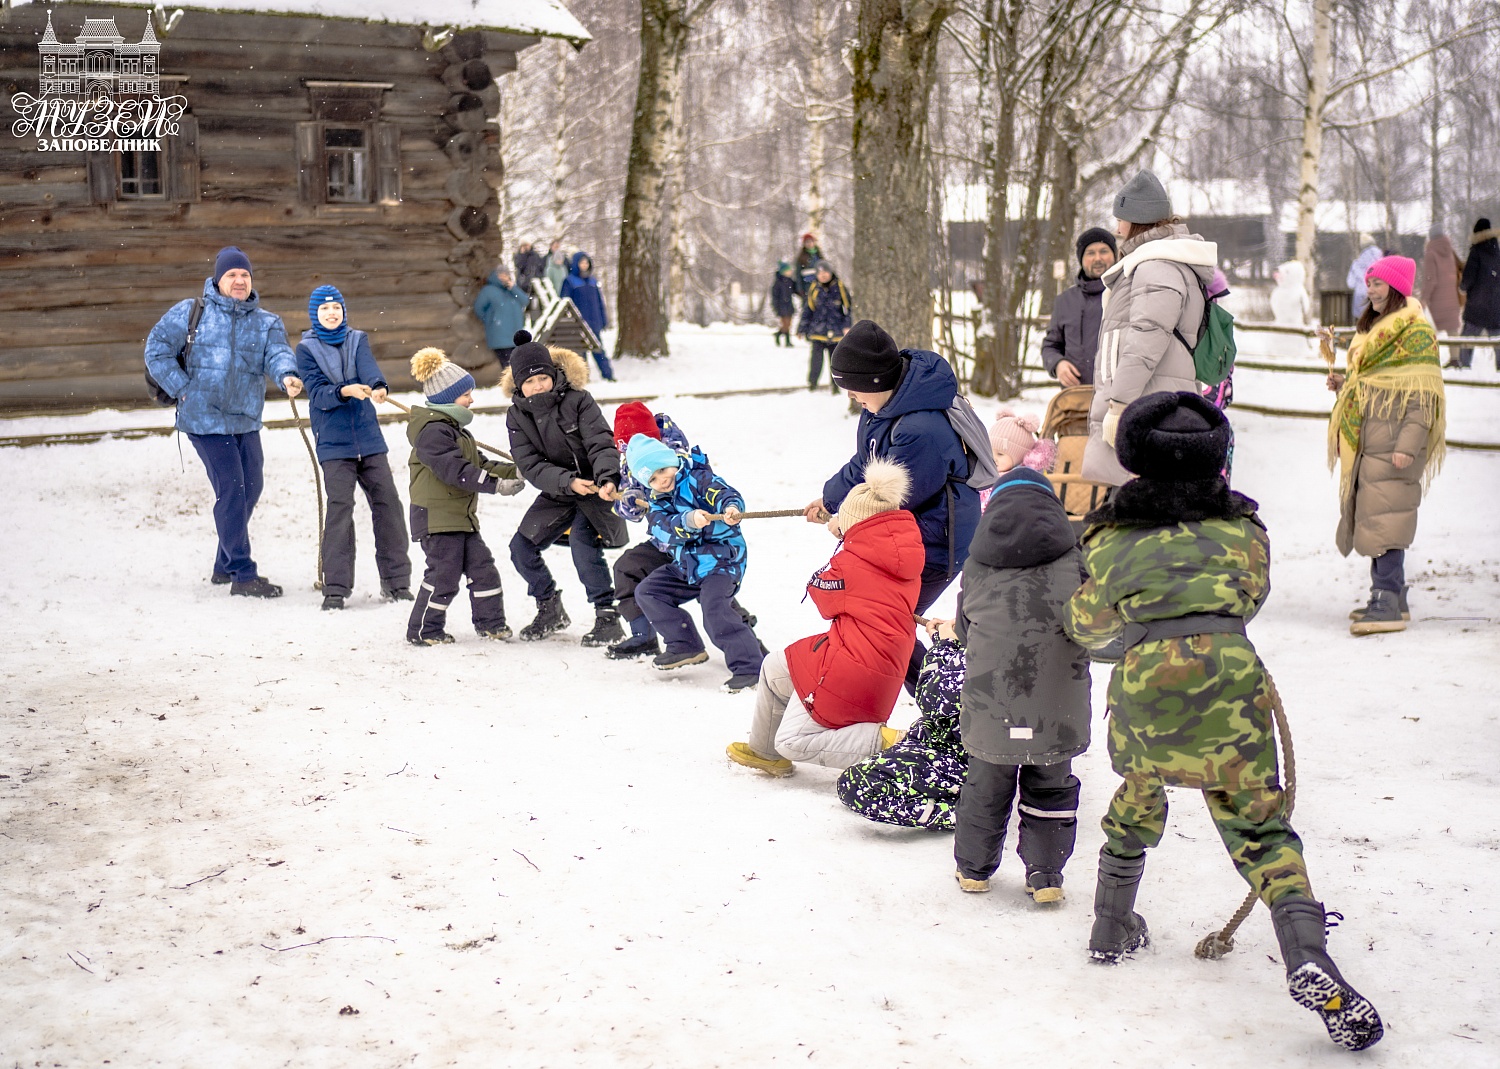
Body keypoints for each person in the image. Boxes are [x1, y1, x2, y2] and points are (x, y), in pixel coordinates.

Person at [1065, 391, 1383, 1053]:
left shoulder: (1108, 536)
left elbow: (1089, 625)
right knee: (1262, 827)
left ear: (1134, 458)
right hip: (1230, 684)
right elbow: (1254, 597)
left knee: (1136, 799)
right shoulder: (1246, 529)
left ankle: (1110, 925)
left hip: (1147, 690)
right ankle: (1304, 953)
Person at [935, 456, 1090, 905]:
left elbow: (965, 631)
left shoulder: (979, 566)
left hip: (991, 703)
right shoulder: (1076, 563)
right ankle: (1046, 874)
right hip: (1056, 706)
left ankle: (974, 871)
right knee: (1052, 786)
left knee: (986, 785)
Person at [805, 319, 981, 693]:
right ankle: (940, 701)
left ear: (875, 381)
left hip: (936, 540)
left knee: (887, 624)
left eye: (852, 389)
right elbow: (867, 466)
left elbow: (895, 495)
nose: (851, 397)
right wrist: (830, 498)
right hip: (907, 536)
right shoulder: (883, 408)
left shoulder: (920, 427)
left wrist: (849, 521)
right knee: (884, 622)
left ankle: (951, 706)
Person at [727, 458, 922, 773]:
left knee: (792, 740)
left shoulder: (853, 562)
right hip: (875, 658)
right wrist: (849, 537)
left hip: (857, 664)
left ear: (855, 524)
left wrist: (845, 539)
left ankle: (885, 742)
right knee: (776, 666)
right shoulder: (897, 553)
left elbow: (822, 595)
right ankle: (765, 752)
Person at [143, 246, 302, 599]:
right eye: (232, 274)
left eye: (245, 275)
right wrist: (183, 388)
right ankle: (242, 574)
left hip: (245, 419)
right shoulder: (191, 312)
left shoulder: (267, 323)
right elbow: (156, 349)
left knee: (252, 486)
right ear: (218, 279)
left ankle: (223, 563)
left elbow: (277, 355)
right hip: (204, 419)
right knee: (232, 489)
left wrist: (287, 375)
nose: (239, 280)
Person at [1326, 255, 1445, 635]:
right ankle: (1395, 596)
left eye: (1377, 283)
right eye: (1369, 282)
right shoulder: (1375, 330)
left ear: (1395, 288)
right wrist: (1346, 386)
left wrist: (1408, 445)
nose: (1370, 289)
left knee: (1386, 522)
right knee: (1376, 518)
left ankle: (1387, 599)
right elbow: (1377, 382)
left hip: (1395, 444)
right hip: (1372, 441)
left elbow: (1422, 396)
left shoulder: (1414, 333)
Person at [1082, 170, 1218, 488]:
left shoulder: (1157, 266)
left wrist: (1119, 405)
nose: (1116, 227)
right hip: (1153, 399)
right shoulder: (1159, 262)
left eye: (1121, 217)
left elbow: (1146, 339)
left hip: (1147, 405)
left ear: (1137, 219)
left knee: (1142, 505)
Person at [604, 402, 761, 661]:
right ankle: (647, 636)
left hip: (707, 544)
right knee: (629, 569)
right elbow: (644, 515)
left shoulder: (673, 454)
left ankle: (748, 646)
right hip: (669, 543)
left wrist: (729, 507)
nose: (660, 480)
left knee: (714, 596)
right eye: (626, 446)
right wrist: (628, 501)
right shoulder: (632, 462)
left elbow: (715, 490)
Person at [294, 284, 412, 610]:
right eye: (324, 309)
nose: (332, 314)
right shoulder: (306, 350)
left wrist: (377, 386)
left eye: (337, 308)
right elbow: (317, 393)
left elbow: (369, 367)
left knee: (388, 503)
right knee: (340, 509)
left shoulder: (357, 339)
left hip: (369, 438)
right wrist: (344, 391)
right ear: (315, 315)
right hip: (334, 444)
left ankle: (397, 582)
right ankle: (335, 588)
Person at [503, 336, 627, 645]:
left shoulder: (579, 400)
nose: (538, 385)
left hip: (595, 489)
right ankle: (549, 607)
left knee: (583, 546)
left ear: (553, 374)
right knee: (521, 548)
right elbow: (529, 463)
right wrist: (566, 482)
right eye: (530, 381)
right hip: (558, 490)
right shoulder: (517, 415)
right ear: (519, 385)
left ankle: (607, 616)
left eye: (543, 377)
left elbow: (600, 441)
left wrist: (608, 477)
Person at [626, 432, 764, 692]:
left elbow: (724, 494)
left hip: (722, 559)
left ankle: (750, 667)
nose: (662, 480)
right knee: (648, 592)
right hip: (687, 565)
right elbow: (662, 529)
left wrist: (731, 508)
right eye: (652, 478)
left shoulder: (699, 478)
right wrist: (686, 522)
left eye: (663, 470)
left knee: (715, 609)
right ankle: (684, 644)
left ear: (673, 461)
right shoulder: (657, 502)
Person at [404, 348, 524, 645]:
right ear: (447, 398)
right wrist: (495, 486)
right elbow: (454, 470)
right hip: (436, 518)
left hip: (459, 518)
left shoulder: (455, 431)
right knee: (443, 574)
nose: (471, 399)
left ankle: (491, 624)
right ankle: (423, 630)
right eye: (465, 394)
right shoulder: (432, 432)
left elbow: (480, 464)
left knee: (483, 569)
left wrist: (518, 471)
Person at [835, 639, 967, 829]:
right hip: (935, 741)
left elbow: (930, 699)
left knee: (857, 786)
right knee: (858, 780)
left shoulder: (989, 646)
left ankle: (960, 814)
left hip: (958, 756)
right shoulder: (986, 639)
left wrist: (946, 643)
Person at [1041, 227, 1117, 386]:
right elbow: (1051, 346)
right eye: (1090, 253)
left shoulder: (1126, 294)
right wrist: (1057, 364)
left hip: (1118, 398)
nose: (1098, 258)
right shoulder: (1065, 301)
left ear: (1114, 256)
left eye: (1104, 251)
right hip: (1076, 397)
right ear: (1081, 259)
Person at [559, 252, 615, 381]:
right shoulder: (569, 281)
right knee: (580, 353)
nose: (584, 265)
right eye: (581, 263)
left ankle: (608, 376)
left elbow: (599, 302)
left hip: (594, 322)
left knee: (598, 351)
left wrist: (603, 319)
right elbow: (565, 302)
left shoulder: (593, 281)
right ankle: (582, 378)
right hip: (577, 323)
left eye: (586, 263)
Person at [796, 260, 851, 392]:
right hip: (818, 331)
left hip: (836, 330)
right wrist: (801, 328)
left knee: (835, 362)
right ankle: (812, 383)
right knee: (816, 361)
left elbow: (848, 308)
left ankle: (836, 386)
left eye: (825, 272)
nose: (823, 275)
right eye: (820, 273)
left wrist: (847, 325)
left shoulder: (840, 286)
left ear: (830, 272)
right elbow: (808, 309)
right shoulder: (814, 288)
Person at [1456, 217, 1500, 370]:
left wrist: (1462, 288)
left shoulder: (1476, 252)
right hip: (1496, 306)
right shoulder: (1497, 251)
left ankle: (1464, 366)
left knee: (1467, 337)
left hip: (1477, 305)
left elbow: (1468, 278)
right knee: (1497, 340)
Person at [472, 267, 529, 371]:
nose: (504, 277)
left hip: (515, 336)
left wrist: (513, 288)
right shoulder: (488, 291)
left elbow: (525, 301)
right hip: (500, 337)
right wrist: (491, 320)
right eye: (501, 274)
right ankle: (511, 386)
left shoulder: (512, 290)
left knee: (518, 367)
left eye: (506, 274)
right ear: (496, 275)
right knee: (509, 369)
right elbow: (478, 308)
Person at [1419, 226, 1463, 337]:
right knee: (1452, 331)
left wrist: (1424, 299)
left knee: (1429, 332)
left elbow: (1430, 279)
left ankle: (1432, 354)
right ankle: (1455, 355)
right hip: (1452, 300)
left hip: (1437, 301)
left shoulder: (1431, 253)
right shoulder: (1450, 252)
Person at [1347, 233, 1383, 319]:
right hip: (1379, 300)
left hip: (1361, 303)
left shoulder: (1357, 264)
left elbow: (1350, 284)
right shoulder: (1382, 259)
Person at [770, 261, 798, 347]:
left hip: (789, 305)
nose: (790, 272)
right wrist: (776, 307)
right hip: (781, 306)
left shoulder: (790, 281)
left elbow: (795, 290)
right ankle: (786, 340)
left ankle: (778, 335)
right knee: (786, 324)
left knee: (788, 324)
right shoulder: (778, 283)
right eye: (788, 270)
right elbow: (775, 297)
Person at [794, 231, 821, 296]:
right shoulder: (801, 257)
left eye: (811, 241)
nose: (809, 244)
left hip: (819, 285)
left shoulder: (819, 255)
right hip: (807, 286)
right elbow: (798, 274)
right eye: (807, 242)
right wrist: (800, 289)